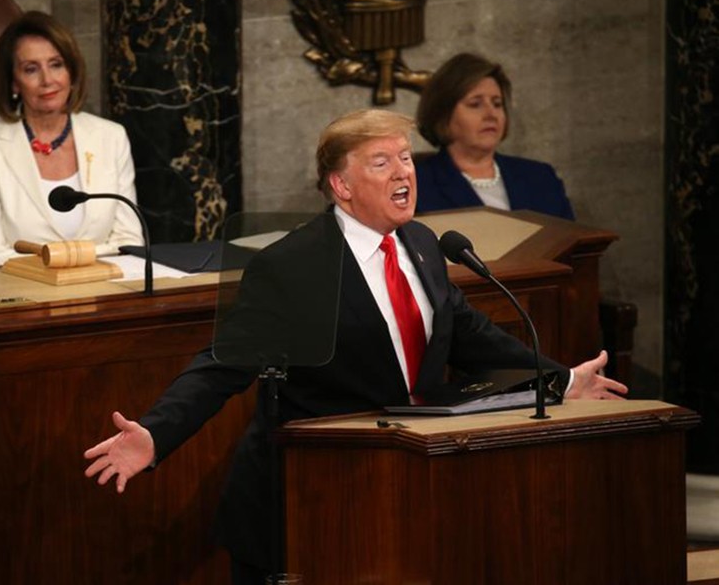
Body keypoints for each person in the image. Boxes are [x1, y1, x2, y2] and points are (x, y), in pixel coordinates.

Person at [83, 109, 626, 585]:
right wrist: (156, 433)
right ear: (341, 185)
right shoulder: (292, 266)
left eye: (407, 158)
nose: (403, 172)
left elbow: (468, 332)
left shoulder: (421, 242)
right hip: (311, 499)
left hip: (404, 480)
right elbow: (223, 364)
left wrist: (562, 379)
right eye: (382, 162)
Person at [0, 11, 143, 267]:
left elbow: (130, 242)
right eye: (31, 69)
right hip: (26, 296)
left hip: (104, 292)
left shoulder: (111, 137)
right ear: (14, 83)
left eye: (56, 64)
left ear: (71, 71)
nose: (47, 80)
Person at [414, 52, 575, 220]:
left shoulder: (541, 178)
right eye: (475, 104)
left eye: (497, 104)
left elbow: (575, 242)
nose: (491, 114)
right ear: (443, 115)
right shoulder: (417, 185)